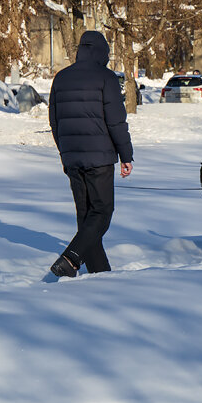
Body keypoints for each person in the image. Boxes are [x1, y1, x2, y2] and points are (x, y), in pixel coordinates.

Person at [45, 30, 134, 280]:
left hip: (72, 159)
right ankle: (70, 259)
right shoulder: (105, 77)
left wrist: (65, 153)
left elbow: (54, 121)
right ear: (102, 53)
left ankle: (99, 274)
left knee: (86, 217)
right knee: (102, 213)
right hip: (100, 159)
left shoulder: (60, 78)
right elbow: (116, 121)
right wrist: (126, 155)